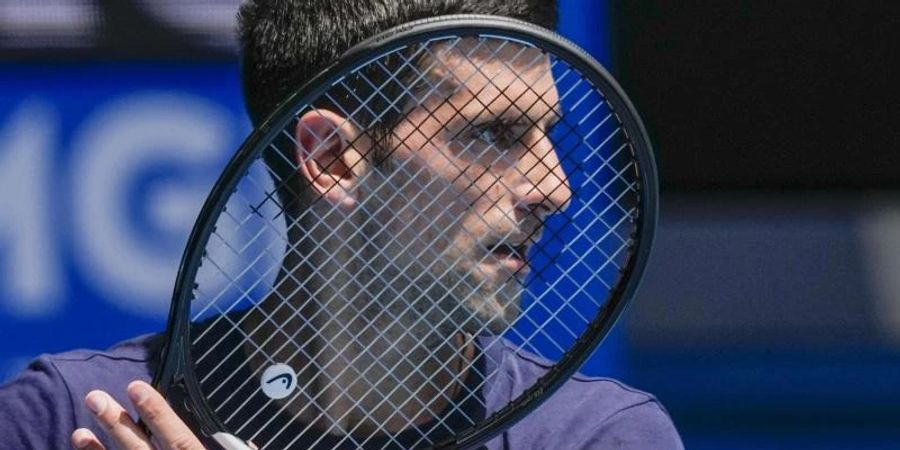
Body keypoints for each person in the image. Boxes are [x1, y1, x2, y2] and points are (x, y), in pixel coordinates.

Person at [0, 1, 683, 449]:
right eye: (494, 134)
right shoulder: (63, 420)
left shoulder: (599, 439)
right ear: (332, 159)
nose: (553, 189)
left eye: (547, 136)